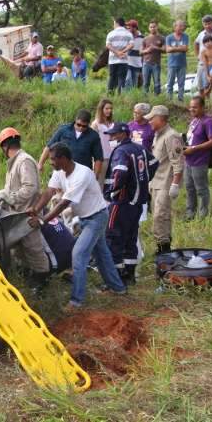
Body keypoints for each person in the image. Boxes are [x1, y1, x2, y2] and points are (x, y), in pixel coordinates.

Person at [28, 143, 126, 311]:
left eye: (53, 159)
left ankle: (76, 302)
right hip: (86, 217)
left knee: (78, 254)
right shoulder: (60, 172)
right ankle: (118, 288)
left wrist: (42, 220)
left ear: (63, 159)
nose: (50, 162)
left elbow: (63, 203)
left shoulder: (82, 174)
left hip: (96, 217)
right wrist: (35, 208)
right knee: (101, 253)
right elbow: (49, 192)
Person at [0, 127, 51, 295]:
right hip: (16, 215)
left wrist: (9, 197)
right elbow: (12, 188)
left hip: (28, 213)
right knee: (19, 250)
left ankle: (42, 283)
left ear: (4, 146)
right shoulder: (14, 162)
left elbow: (29, 188)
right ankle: (28, 278)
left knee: (33, 248)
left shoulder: (24, 161)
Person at [103, 123, 158, 285]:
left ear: (123, 134)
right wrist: (142, 181)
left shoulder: (121, 151)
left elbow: (120, 173)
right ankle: (129, 276)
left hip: (121, 202)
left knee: (113, 237)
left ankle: (115, 279)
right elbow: (154, 163)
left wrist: (114, 191)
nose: (111, 138)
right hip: (138, 202)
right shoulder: (139, 148)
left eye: (113, 135)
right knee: (130, 238)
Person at [146, 105, 184, 253]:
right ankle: (162, 246)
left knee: (160, 215)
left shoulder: (171, 136)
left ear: (160, 119)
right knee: (159, 216)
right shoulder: (158, 135)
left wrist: (175, 184)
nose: (149, 122)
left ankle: (164, 248)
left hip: (166, 183)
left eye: (152, 119)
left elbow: (178, 162)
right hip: (156, 180)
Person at [37, 109, 103, 179]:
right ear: (75, 120)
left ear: (88, 124)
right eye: (78, 124)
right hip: (61, 170)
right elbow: (49, 147)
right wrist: (41, 163)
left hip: (82, 173)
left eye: (84, 126)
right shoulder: (63, 130)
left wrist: (95, 176)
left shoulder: (93, 136)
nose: (81, 128)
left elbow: (98, 158)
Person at [184, 96, 212, 220]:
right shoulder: (194, 121)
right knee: (189, 188)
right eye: (190, 107)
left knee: (201, 189)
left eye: (195, 107)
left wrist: (193, 149)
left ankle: (203, 215)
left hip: (200, 161)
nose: (192, 109)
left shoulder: (208, 122)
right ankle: (190, 214)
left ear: (202, 107)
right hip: (188, 160)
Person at [195, 15, 212, 93]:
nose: (207, 26)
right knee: (201, 85)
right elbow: (196, 43)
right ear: (203, 24)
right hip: (202, 63)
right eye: (205, 24)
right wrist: (197, 55)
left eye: (209, 23)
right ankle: (202, 103)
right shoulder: (201, 34)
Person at [106, 17, 133, 94]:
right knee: (121, 79)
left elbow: (108, 45)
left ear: (116, 23)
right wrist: (122, 52)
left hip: (112, 61)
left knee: (112, 78)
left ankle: (110, 95)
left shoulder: (110, 33)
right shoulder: (128, 33)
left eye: (114, 23)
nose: (113, 25)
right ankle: (120, 95)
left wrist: (117, 52)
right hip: (123, 60)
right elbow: (131, 45)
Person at [91, 99, 115, 185]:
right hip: (102, 157)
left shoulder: (112, 122)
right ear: (101, 109)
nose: (109, 111)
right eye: (107, 108)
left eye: (111, 108)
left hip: (113, 156)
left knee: (111, 183)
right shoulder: (96, 124)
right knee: (99, 183)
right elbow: (92, 142)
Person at [166, 20, 189, 101]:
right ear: (175, 27)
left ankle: (181, 100)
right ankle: (169, 100)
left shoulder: (185, 36)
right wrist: (180, 48)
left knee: (181, 84)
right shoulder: (169, 37)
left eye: (183, 26)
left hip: (182, 64)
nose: (182, 28)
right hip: (171, 64)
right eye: (180, 26)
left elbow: (186, 48)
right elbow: (168, 50)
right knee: (170, 83)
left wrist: (174, 49)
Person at [141, 21, 165, 95]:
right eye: (151, 27)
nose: (152, 28)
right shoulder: (145, 39)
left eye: (154, 27)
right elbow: (140, 52)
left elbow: (165, 50)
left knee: (157, 83)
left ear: (157, 27)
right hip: (146, 63)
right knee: (145, 83)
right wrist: (147, 50)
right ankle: (145, 98)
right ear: (149, 28)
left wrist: (155, 47)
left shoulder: (162, 38)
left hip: (156, 64)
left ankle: (157, 98)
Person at [126, 20, 144, 89]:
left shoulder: (143, 38)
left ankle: (132, 97)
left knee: (134, 82)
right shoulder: (127, 37)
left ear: (135, 28)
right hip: (128, 63)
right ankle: (125, 97)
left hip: (137, 64)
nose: (127, 29)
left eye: (129, 27)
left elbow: (143, 53)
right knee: (127, 79)